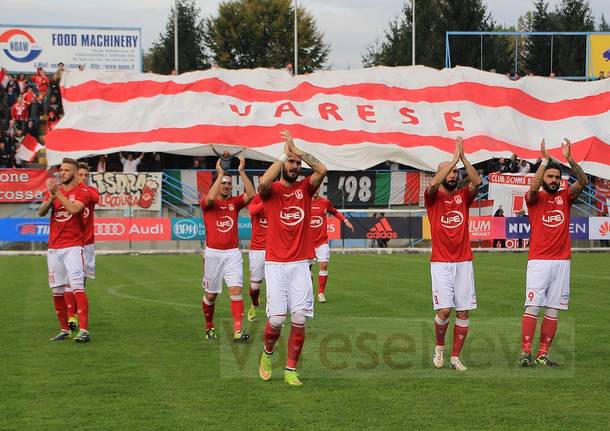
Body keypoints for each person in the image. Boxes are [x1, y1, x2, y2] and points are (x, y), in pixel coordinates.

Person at [258, 130, 327, 386]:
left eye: (297, 164)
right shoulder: (272, 191)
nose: (295, 166)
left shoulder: (305, 189)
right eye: (292, 162)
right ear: (283, 165)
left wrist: (299, 152)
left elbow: (322, 169)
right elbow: (263, 183)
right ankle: (267, 354)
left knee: (299, 318)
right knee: (276, 319)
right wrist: (282, 155)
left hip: (300, 264)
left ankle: (290, 370)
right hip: (275, 264)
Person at [518, 138, 587, 367]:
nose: (554, 180)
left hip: (562, 261)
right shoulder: (535, 199)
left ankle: (542, 353)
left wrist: (569, 158)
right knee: (533, 306)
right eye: (551, 176)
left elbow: (584, 181)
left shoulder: (565, 196)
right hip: (539, 260)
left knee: (554, 308)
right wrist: (545, 161)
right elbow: (533, 186)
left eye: (557, 177)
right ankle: (525, 352)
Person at [424, 137, 481, 372]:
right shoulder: (433, 198)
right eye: (449, 172)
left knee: (464, 311)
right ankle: (440, 347)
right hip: (441, 262)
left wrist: (463, 159)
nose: (453, 175)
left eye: (455, 172)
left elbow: (476, 181)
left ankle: (455, 357)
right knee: (445, 310)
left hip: (464, 261)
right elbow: (433, 185)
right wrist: (451, 161)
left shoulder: (462, 197)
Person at [200, 155, 255, 343]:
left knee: (236, 291)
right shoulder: (208, 203)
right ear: (216, 184)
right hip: (213, 254)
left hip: (233, 254)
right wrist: (220, 172)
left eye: (229, 183)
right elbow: (209, 198)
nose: (227, 186)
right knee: (211, 295)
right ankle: (209, 326)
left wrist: (241, 171)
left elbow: (252, 195)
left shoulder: (235, 203)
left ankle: (238, 332)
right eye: (223, 183)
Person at [38, 158, 93, 342]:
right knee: (57, 290)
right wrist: (52, 197)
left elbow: (74, 209)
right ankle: (64, 330)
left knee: (77, 286)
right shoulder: (56, 192)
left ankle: (84, 330)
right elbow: (41, 212)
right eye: (61, 170)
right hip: (54, 247)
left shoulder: (82, 192)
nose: (62, 173)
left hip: (73, 247)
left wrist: (57, 194)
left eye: (67, 170)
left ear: (76, 174)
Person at [310, 189, 353, 303]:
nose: (315, 190)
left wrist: (345, 220)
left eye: (317, 188)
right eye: (313, 188)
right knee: (306, 270)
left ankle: (320, 293)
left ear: (319, 189)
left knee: (323, 265)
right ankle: (308, 293)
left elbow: (334, 211)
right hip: (307, 243)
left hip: (321, 242)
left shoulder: (325, 202)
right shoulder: (303, 201)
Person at [246, 193, 267, 322]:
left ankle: (274, 314)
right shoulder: (256, 198)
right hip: (258, 249)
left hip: (276, 248)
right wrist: (267, 201)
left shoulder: (279, 198)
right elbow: (253, 211)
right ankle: (254, 303)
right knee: (255, 286)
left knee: (275, 284)